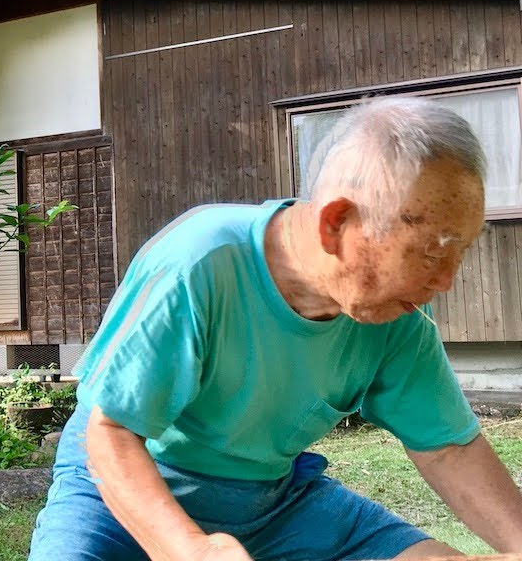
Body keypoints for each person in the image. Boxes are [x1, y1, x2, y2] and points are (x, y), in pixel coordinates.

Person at [30, 96, 522, 560]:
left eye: (462, 251)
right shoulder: (199, 264)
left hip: (273, 502)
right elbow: (110, 432)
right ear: (336, 224)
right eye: (433, 252)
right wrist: (188, 548)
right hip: (119, 490)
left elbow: (448, 449)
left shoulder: (397, 314)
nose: (446, 281)